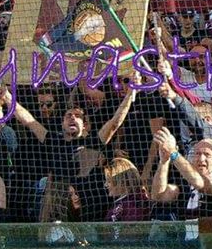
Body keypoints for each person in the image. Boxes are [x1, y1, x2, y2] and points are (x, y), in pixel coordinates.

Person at [9, 85, 136, 221]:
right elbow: (29, 121)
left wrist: (130, 93)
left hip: (90, 210)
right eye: (68, 115)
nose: (72, 118)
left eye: (78, 116)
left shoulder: (94, 141)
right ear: (62, 123)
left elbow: (115, 122)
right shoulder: (53, 140)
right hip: (59, 209)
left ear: (84, 124)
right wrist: (7, 97)